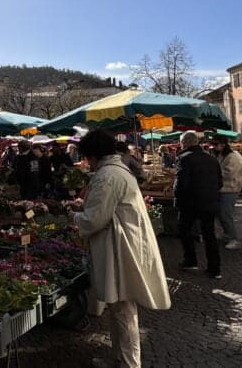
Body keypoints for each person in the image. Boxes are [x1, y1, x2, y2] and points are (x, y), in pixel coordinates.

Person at [71, 129, 171, 368]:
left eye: (87, 157)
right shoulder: (118, 170)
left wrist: (73, 217)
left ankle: (129, 363)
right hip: (123, 243)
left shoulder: (107, 175)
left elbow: (95, 218)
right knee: (120, 309)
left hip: (120, 247)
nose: (86, 162)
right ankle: (121, 358)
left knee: (123, 309)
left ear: (94, 155)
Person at [174, 131, 223, 279]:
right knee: (209, 235)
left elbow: (181, 184)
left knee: (185, 231)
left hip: (190, 203)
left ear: (185, 143)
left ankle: (190, 261)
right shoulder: (212, 159)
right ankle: (214, 269)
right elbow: (220, 182)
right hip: (209, 202)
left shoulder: (183, 159)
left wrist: (177, 198)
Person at [215, 137, 242, 250]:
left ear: (223, 144)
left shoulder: (232, 156)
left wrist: (213, 172)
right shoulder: (223, 155)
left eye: (216, 144)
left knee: (225, 214)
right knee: (221, 214)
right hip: (224, 189)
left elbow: (229, 173)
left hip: (230, 189)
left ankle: (234, 239)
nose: (214, 147)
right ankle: (227, 234)